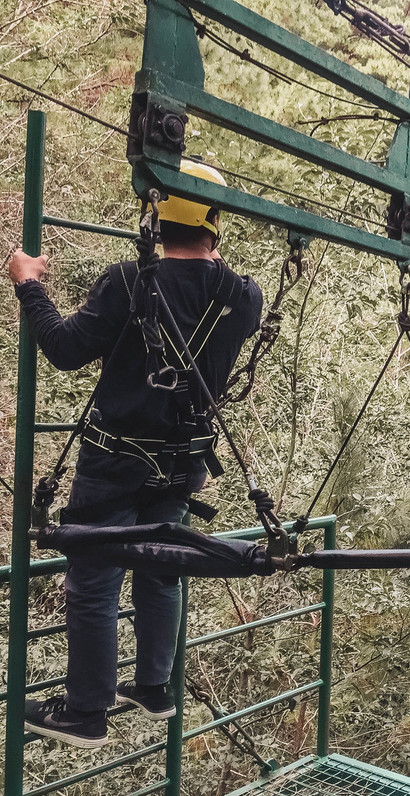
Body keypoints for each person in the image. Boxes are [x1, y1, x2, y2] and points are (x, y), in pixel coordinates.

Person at [7, 160, 263, 748]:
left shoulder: (128, 281)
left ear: (153, 213)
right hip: (182, 464)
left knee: (94, 579)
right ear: (215, 220)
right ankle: (152, 687)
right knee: (161, 567)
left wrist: (28, 283)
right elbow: (211, 296)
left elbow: (67, 349)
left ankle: (86, 711)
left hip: (115, 460)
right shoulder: (242, 296)